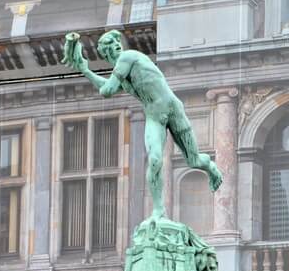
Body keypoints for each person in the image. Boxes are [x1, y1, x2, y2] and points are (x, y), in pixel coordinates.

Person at [62, 30, 222, 220]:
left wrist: (85, 69)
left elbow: (107, 90)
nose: (116, 46)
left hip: (173, 109)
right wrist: (86, 70)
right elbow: (108, 86)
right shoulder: (125, 76)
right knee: (155, 160)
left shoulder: (128, 57)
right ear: (106, 54)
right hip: (154, 116)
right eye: (110, 46)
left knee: (194, 161)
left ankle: (211, 168)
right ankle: (158, 209)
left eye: (116, 43)